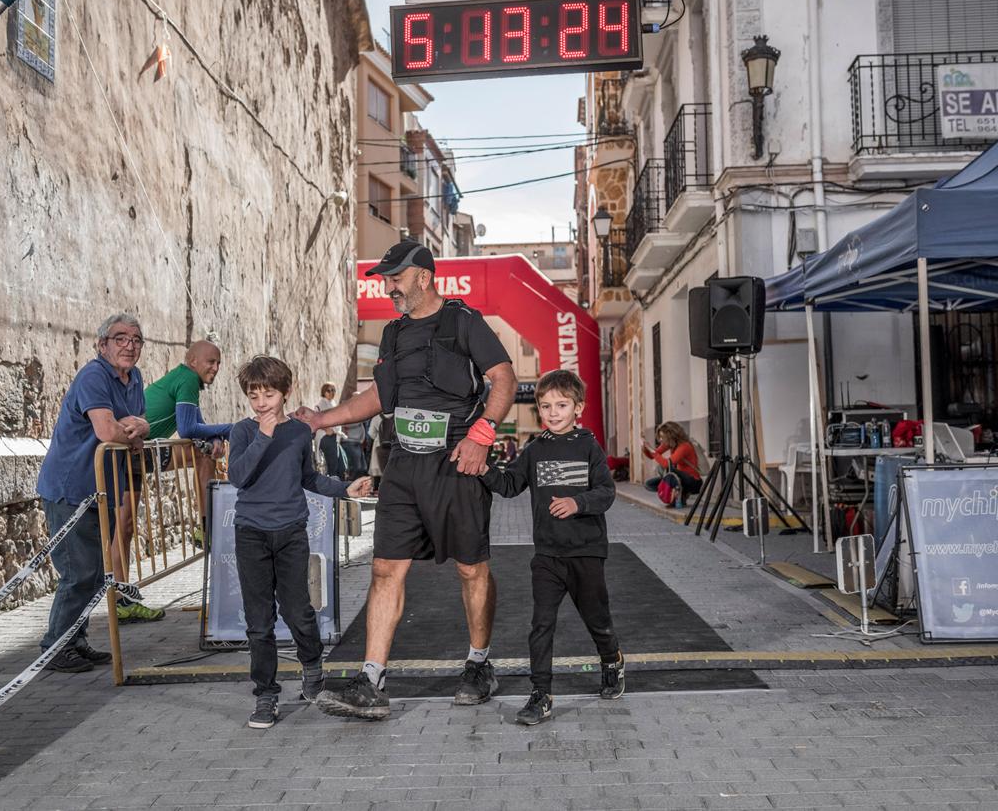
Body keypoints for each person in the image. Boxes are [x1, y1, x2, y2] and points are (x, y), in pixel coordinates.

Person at [294, 239, 516, 720]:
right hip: (403, 466)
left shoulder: (465, 323)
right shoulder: (393, 335)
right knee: (384, 569)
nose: (389, 287)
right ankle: (371, 680)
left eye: (395, 278)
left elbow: (503, 378)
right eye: (386, 278)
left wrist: (481, 435)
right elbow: (376, 397)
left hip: (458, 463)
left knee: (470, 569)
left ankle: (479, 664)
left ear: (423, 277)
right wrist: (321, 419)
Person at [227, 356, 372, 729]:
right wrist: (263, 435)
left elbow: (309, 478)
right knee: (259, 621)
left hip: (291, 532)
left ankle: (311, 667)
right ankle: (266, 695)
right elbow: (239, 477)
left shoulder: (299, 433)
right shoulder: (243, 431)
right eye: (254, 395)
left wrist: (345, 488)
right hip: (251, 533)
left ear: (286, 392)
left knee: (298, 611)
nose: (261, 403)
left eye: (269, 394)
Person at [480, 369, 622, 725]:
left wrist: (578, 504)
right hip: (546, 556)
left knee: (598, 621)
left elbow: (607, 492)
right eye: (546, 406)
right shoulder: (535, 449)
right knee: (541, 624)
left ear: (579, 408)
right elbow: (511, 485)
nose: (553, 412)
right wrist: (483, 468)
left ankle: (612, 660)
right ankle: (540, 695)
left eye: (561, 405)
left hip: (586, 552)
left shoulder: (589, 446)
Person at [35, 313, 150, 673]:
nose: (129, 345)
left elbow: (136, 427)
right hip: (72, 488)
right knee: (78, 572)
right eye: (120, 338)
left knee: (97, 571)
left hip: (102, 489)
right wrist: (130, 429)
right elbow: (107, 431)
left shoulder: (134, 378)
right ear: (102, 345)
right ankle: (55, 647)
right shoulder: (94, 376)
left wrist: (140, 426)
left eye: (136, 339)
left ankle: (75, 640)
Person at [142, 340, 231, 541]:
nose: (215, 368)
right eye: (211, 362)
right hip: (137, 447)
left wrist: (215, 436)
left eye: (218, 363)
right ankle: (207, 530)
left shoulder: (183, 377)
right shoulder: (188, 379)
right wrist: (230, 429)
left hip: (138, 447)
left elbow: (198, 423)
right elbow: (187, 429)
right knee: (203, 455)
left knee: (204, 454)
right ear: (193, 361)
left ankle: (206, 529)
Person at [642, 422, 702, 503]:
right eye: (660, 437)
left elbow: (667, 464)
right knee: (648, 484)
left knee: (663, 468)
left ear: (671, 436)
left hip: (693, 482)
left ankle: (680, 493)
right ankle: (677, 492)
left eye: (662, 437)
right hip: (678, 478)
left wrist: (652, 450)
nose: (660, 440)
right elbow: (653, 456)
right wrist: (645, 448)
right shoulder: (670, 444)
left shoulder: (684, 446)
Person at [316, 383, 344, 477]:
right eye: (329, 390)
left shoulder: (333, 403)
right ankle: (333, 487)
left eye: (333, 390)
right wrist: (326, 428)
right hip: (326, 436)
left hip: (335, 436)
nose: (331, 392)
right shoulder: (321, 404)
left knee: (339, 465)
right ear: (324, 392)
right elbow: (316, 420)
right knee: (333, 465)